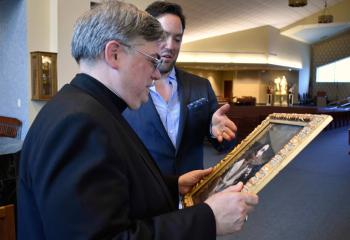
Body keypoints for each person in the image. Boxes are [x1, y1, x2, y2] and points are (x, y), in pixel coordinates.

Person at [17, 1, 258, 239]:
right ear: (114, 54)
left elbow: (114, 184)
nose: (156, 74)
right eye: (152, 60)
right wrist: (209, 218)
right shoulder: (79, 124)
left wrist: (172, 185)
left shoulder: (85, 107)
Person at [123, 1, 237, 175]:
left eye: (177, 38)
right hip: (148, 195)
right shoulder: (125, 89)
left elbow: (223, 144)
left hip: (193, 193)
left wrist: (216, 133)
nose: (170, 46)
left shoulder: (201, 86)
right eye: (162, 36)